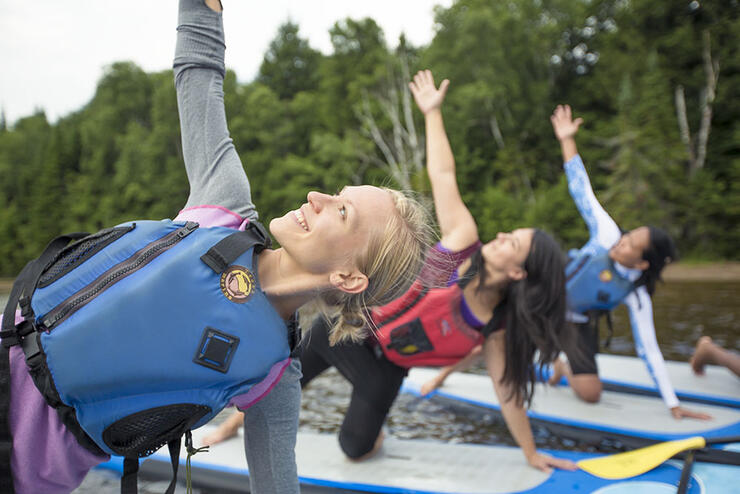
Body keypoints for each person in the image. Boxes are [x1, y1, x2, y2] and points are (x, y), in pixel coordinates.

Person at [0, 1, 432, 493]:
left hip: (21, 474)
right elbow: (198, 77)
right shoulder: (223, 204)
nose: (317, 196)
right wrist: (203, 8)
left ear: (349, 277)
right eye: (336, 192)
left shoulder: (271, 378)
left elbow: (277, 484)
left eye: (342, 210)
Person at [296, 70, 576, 473]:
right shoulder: (462, 245)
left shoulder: (495, 328)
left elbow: (508, 392)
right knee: (291, 373)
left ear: (519, 274)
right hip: (356, 328)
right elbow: (443, 175)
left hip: (389, 366)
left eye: (512, 243)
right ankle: (232, 424)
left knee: (354, 448)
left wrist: (531, 455)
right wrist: (431, 113)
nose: (500, 235)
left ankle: (373, 429)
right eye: (508, 233)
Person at [421, 106, 711, 420]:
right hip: (544, 296)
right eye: (628, 235)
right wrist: (567, 139)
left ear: (642, 265)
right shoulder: (607, 235)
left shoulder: (636, 294)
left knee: (591, 395)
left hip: (575, 324)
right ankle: (443, 375)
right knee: (493, 340)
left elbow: (649, 350)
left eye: (631, 245)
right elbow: (581, 188)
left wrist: (672, 404)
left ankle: (559, 361)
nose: (621, 241)